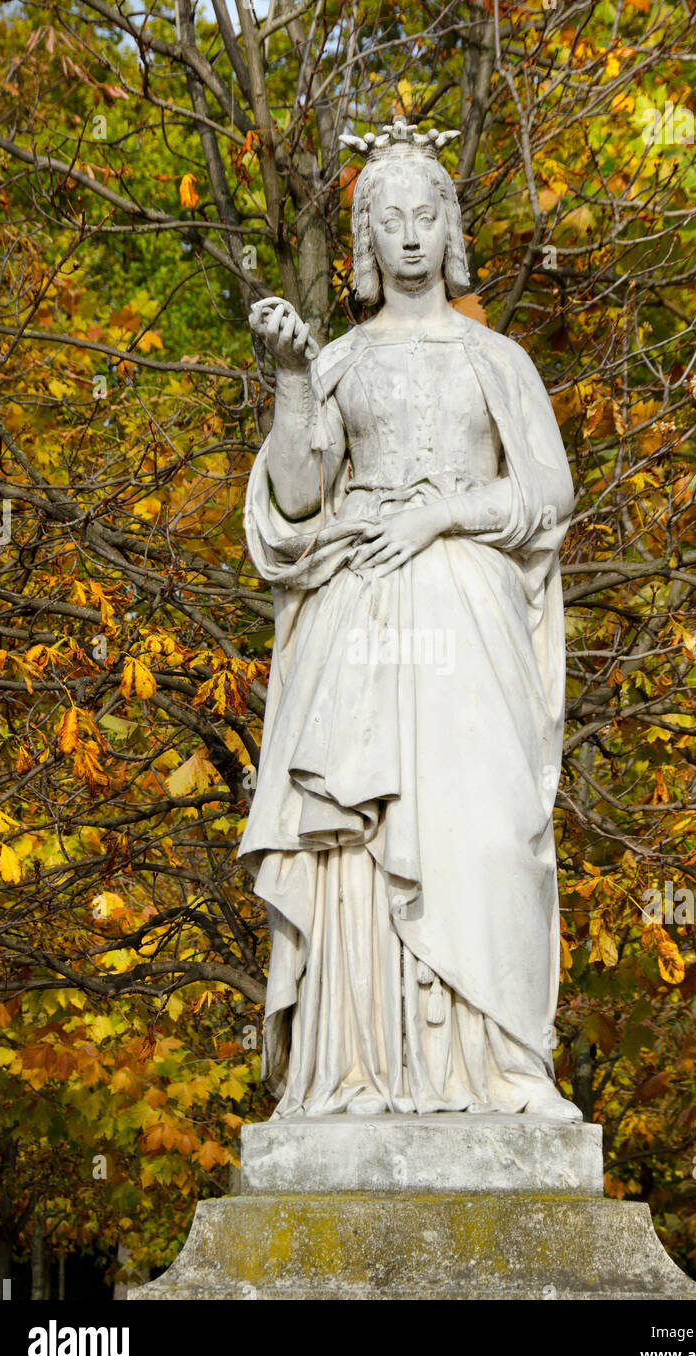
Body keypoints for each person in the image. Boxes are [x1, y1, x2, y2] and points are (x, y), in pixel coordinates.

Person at [239, 121, 581, 1122]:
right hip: (359, 620)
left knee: (484, 830)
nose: (411, 234)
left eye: (427, 213)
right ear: (365, 242)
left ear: (452, 226)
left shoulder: (497, 359)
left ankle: (501, 1066)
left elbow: (547, 495)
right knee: (353, 835)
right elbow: (296, 501)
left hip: (471, 624)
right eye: (388, 219)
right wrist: (292, 377)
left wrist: (443, 510)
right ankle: (360, 1068)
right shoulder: (339, 360)